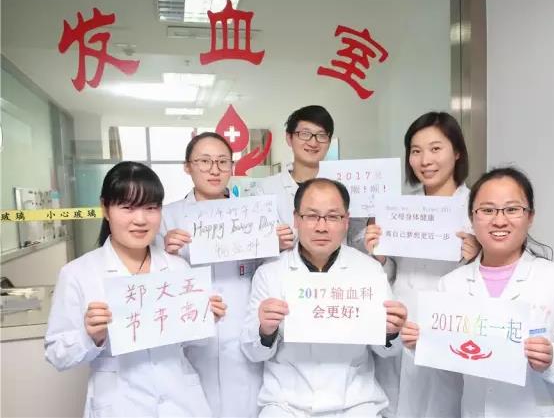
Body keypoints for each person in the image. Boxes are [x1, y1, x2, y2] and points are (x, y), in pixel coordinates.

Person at [401, 166, 554, 417]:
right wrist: (422, 344)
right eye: (487, 210)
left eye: (512, 209)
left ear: (530, 216)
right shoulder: (450, 285)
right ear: (472, 218)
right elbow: (447, 371)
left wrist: (553, 357)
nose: (499, 220)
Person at [45, 161, 225, 417]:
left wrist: (206, 318)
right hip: (120, 404)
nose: (140, 220)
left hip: (182, 403)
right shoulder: (78, 273)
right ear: (105, 209)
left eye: (151, 208)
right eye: (127, 208)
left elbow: (193, 343)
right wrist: (91, 337)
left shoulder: (177, 268)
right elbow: (57, 354)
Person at [241, 178, 408, 417]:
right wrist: (265, 331)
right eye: (311, 216)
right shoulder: (270, 273)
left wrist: (390, 331)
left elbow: (388, 352)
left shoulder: (369, 270)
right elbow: (252, 352)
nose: (322, 227)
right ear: (296, 219)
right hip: (286, 406)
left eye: (332, 217)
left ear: (346, 220)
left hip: (356, 405)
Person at [364, 111, 480, 417]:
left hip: (448, 331)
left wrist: (475, 259)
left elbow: (495, 281)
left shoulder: (476, 209)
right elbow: (392, 273)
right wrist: (380, 257)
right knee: (396, 403)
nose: (425, 160)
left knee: (442, 405)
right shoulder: (399, 208)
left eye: (435, 148)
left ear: (457, 152)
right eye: (416, 151)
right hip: (400, 326)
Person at [159, 132, 263, 417]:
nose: (214, 170)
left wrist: (280, 243)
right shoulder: (167, 217)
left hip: (243, 343)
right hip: (191, 346)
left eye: (222, 161)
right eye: (204, 161)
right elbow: (152, 280)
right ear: (187, 166)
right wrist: (164, 253)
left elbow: (269, 273)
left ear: (232, 166)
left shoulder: (254, 215)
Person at [254, 105, 367, 252]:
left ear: (329, 141)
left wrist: (371, 232)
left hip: (338, 266)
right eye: (305, 134)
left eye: (321, 135)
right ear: (289, 138)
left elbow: (356, 242)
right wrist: (273, 244)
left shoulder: (345, 186)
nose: (313, 143)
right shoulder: (265, 189)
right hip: (282, 266)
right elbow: (255, 245)